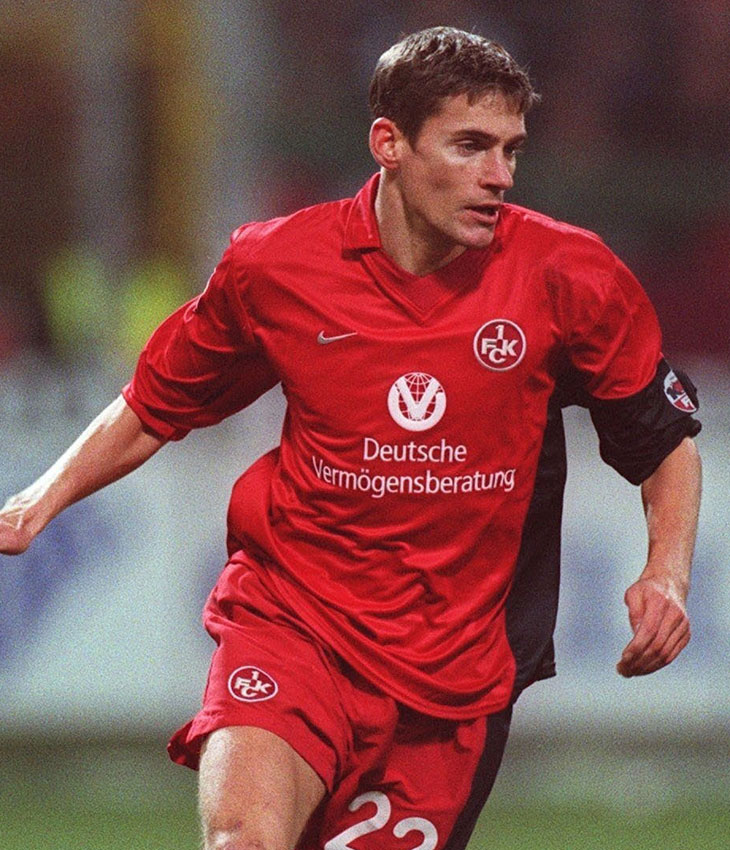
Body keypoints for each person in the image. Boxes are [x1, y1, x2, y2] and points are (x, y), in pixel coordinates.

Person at [0, 26, 702, 850]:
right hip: (293, 622)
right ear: (389, 144)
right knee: (244, 839)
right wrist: (36, 501)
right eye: (470, 146)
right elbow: (156, 403)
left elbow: (664, 443)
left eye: (510, 149)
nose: (500, 176)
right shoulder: (276, 266)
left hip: (452, 679)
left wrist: (666, 574)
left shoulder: (568, 275)